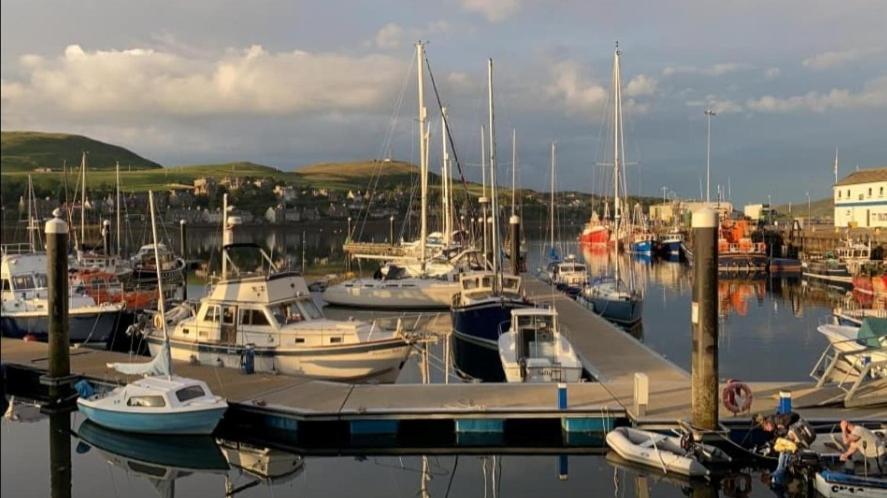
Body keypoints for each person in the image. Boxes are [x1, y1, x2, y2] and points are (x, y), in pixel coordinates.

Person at [756, 412, 816, 485]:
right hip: (794, 443)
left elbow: (795, 415)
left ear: (767, 423)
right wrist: (769, 447)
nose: (767, 430)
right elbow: (777, 439)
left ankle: (776, 476)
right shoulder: (775, 430)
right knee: (781, 449)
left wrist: (784, 425)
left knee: (783, 452)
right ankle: (778, 475)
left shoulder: (778, 420)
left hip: (801, 437)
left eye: (766, 428)